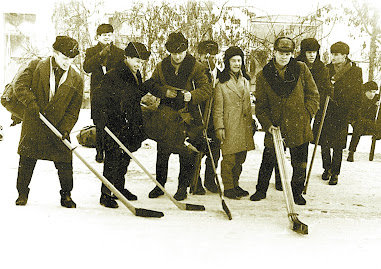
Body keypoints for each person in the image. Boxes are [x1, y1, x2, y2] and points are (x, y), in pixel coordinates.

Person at [14, 36, 83, 207]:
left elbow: (73, 110)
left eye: (72, 59)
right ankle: (22, 193)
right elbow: (20, 85)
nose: (68, 62)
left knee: (65, 162)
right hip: (35, 122)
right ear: (55, 53)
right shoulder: (36, 66)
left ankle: (66, 195)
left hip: (58, 126)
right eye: (65, 58)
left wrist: (66, 128)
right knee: (27, 160)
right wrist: (30, 102)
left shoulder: (76, 79)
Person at [250, 37, 319, 205]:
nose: (284, 56)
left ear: (292, 54)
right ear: (274, 52)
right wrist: (267, 125)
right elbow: (261, 106)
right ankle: (261, 190)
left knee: (299, 163)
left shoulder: (301, 69)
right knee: (268, 159)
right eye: (281, 53)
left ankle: (297, 193)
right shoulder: (263, 75)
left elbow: (313, 95)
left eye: (288, 53)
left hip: (298, 124)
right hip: (276, 126)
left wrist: (307, 114)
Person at [145, 32, 212, 201]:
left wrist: (191, 95)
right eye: (174, 53)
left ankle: (182, 187)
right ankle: (160, 186)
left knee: (186, 153)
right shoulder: (161, 66)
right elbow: (151, 84)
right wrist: (163, 91)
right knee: (163, 151)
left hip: (186, 117)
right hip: (166, 116)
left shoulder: (196, 66)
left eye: (181, 52)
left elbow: (206, 89)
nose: (177, 56)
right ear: (169, 52)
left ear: (186, 50)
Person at [96, 42, 151, 208]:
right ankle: (105, 194)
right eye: (136, 60)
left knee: (124, 157)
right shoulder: (115, 74)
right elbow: (101, 99)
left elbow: (132, 95)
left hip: (129, 122)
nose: (138, 64)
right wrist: (103, 122)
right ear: (126, 57)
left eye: (141, 62)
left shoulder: (134, 73)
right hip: (115, 123)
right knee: (112, 159)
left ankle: (119, 188)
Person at [213, 46, 255, 199]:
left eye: (239, 60)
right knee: (229, 159)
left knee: (240, 158)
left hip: (244, 126)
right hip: (229, 126)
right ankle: (228, 187)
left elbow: (248, 104)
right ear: (228, 62)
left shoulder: (245, 81)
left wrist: (252, 122)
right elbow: (218, 108)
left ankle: (236, 185)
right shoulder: (221, 83)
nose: (237, 63)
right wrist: (219, 127)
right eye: (233, 61)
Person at [319, 41, 363, 185]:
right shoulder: (327, 69)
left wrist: (353, 114)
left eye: (336, 54)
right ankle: (326, 168)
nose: (333, 57)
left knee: (338, 144)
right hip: (327, 110)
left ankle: (335, 173)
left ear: (344, 56)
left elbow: (358, 94)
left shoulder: (355, 71)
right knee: (324, 142)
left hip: (343, 112)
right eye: (332, 54)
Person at [83, 23, 125, 163]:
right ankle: (99, 151)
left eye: (109, 35)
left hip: (114, 94)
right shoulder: (91, 51)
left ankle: (113, 150)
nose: (107, 37)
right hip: (98, 93)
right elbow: (86, 68)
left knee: (114, 121)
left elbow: (123, 72)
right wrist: (100, 55)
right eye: (104, 35)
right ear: (98, 37)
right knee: (99, 123)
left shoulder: (119, 52)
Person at [191, 40, 221, 194]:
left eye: (213, 57)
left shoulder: (220, 75)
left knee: (215, 151)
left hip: (214, 119)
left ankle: (210, 180)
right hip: (198, 117)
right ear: (199, 56)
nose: (209, 60)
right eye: (205, 57)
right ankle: (195, 181)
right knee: (197, 150)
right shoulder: (193, 72)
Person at [295, 38, 334, 143]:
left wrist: (329, 88)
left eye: (314, 52)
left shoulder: (322, 68)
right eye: (309, 52)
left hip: (312, 105)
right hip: (297, 104)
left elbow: (325, 84)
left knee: (305, 133)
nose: (312, 55)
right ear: (304, 52)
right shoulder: (295, 65)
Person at [347, 81, 380, 162]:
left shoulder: (375, 99)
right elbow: (357, 116)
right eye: (370, 92)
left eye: (374, 92)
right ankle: (351, 152)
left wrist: (376, 105)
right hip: (357, 120)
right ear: (365, 91)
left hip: (369, 122)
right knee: (358, 128)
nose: (372, 94)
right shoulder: (359, 99)